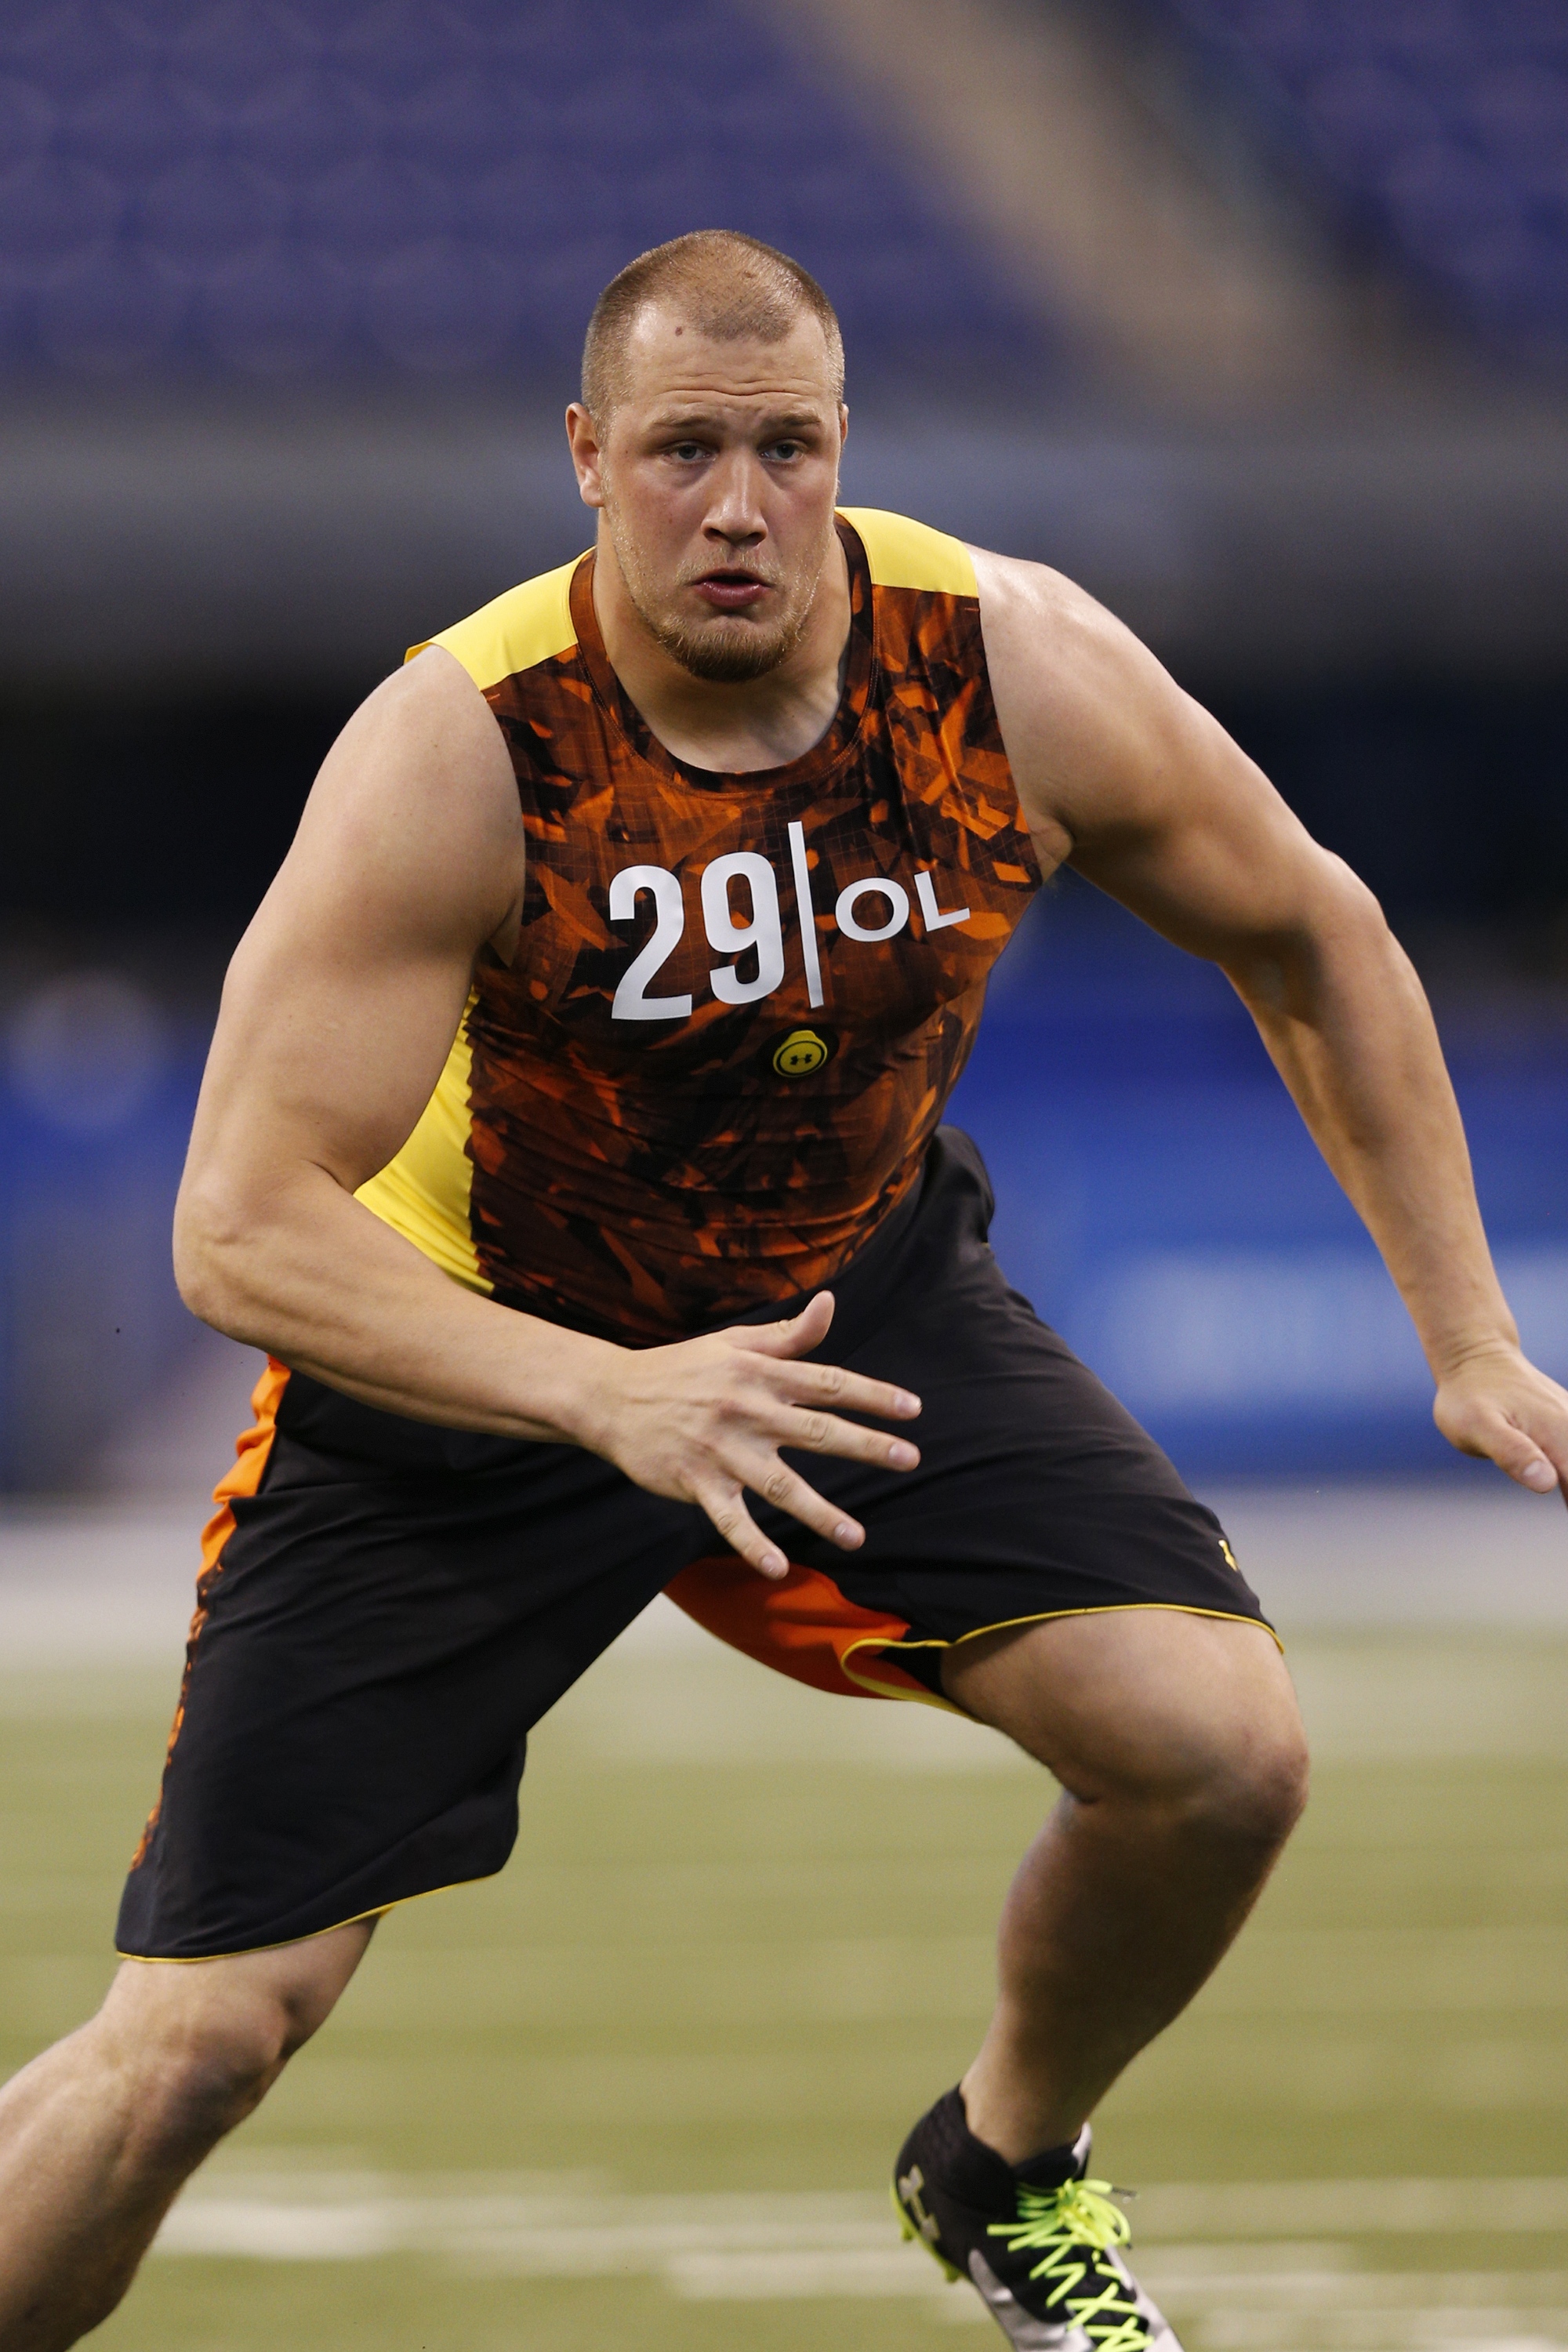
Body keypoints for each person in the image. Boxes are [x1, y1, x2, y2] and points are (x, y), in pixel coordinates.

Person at [2, 229, 1564, 2352]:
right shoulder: (468, 748)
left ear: (845, 454)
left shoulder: (1008, 665)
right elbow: (237, 1226)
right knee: (194, 2051)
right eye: (680, 451)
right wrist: (602, 1397)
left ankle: (1003, 2168)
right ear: (585, 458)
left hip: (848, 1307)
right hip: (468, 1380)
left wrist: (1464, 1331)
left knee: (1222, 1755)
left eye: (785, 447)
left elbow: (1315, 931)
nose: (735, 504)